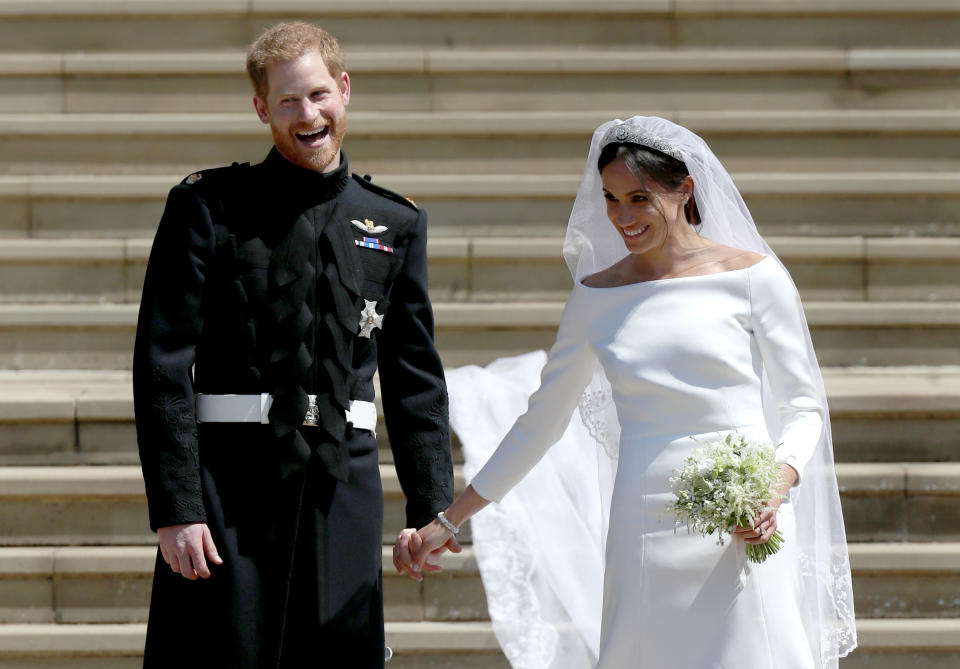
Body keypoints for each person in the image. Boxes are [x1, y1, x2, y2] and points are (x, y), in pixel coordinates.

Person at [395, 116, 857, 668]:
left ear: (685, 190)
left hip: (745, 520)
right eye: (612, 199)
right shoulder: (596, 295)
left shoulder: (755, 277)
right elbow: (540, 422)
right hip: (644, 524)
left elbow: (804, 407)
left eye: (639, 198)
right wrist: (450, 519)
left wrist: (774, 490)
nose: (622, 216)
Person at [133, 21, 455, 668]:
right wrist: (176, 508)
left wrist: (431, 507)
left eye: (316, 95)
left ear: (343, 90)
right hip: (230, 492)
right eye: (286, 101)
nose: (306, 115)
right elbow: (162, 366)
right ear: (261, 109)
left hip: (345, 489)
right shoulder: (208, 208)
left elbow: (414, 377)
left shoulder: (395, 222)